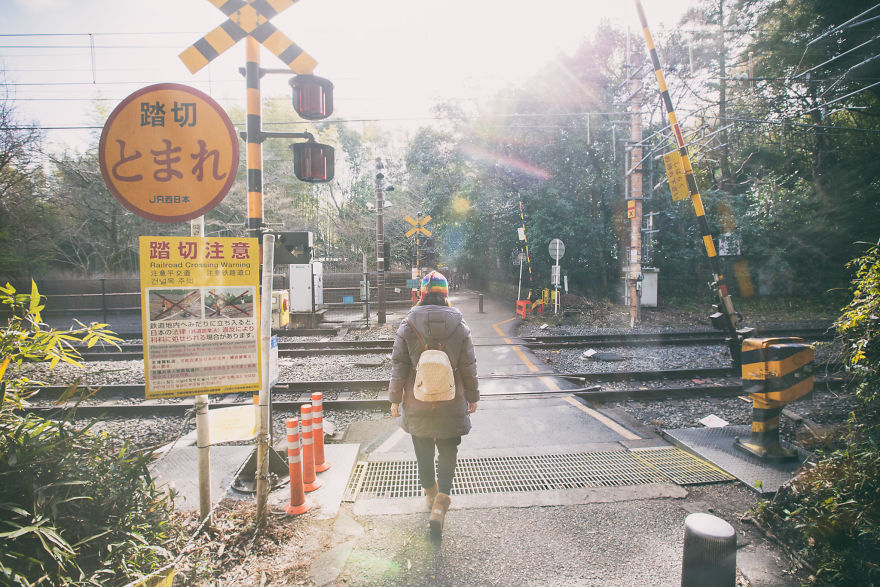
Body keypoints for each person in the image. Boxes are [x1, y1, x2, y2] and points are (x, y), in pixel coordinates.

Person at [388, 270, 479, 537]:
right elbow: (468, 367)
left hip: (418, 401)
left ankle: (431, 493)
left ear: (423, 293)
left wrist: (395, 400)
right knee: (448, 451)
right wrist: (472, 397)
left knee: (423, 450)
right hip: (452, 401)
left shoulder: (408, 324)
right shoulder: (460, 326)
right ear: (446, 294)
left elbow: (399, 366)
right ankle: (442, 503)